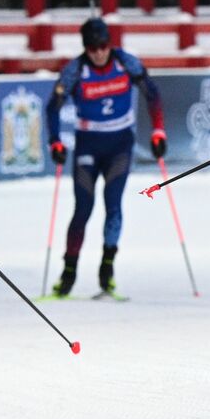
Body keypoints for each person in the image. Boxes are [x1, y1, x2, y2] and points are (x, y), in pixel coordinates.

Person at [46, 17, 165, 299]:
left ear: (109, 43)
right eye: (91, 47)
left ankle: (107, 270)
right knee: (83, 208)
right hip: (88, 146)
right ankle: (68, 273)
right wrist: (55, 142)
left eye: (102, 45)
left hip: (119, 146)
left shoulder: (126, 63)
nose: (98, 52)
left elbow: (153, 94)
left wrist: (158, 130)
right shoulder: (75, 70)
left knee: (113, 204)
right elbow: (53, 107)